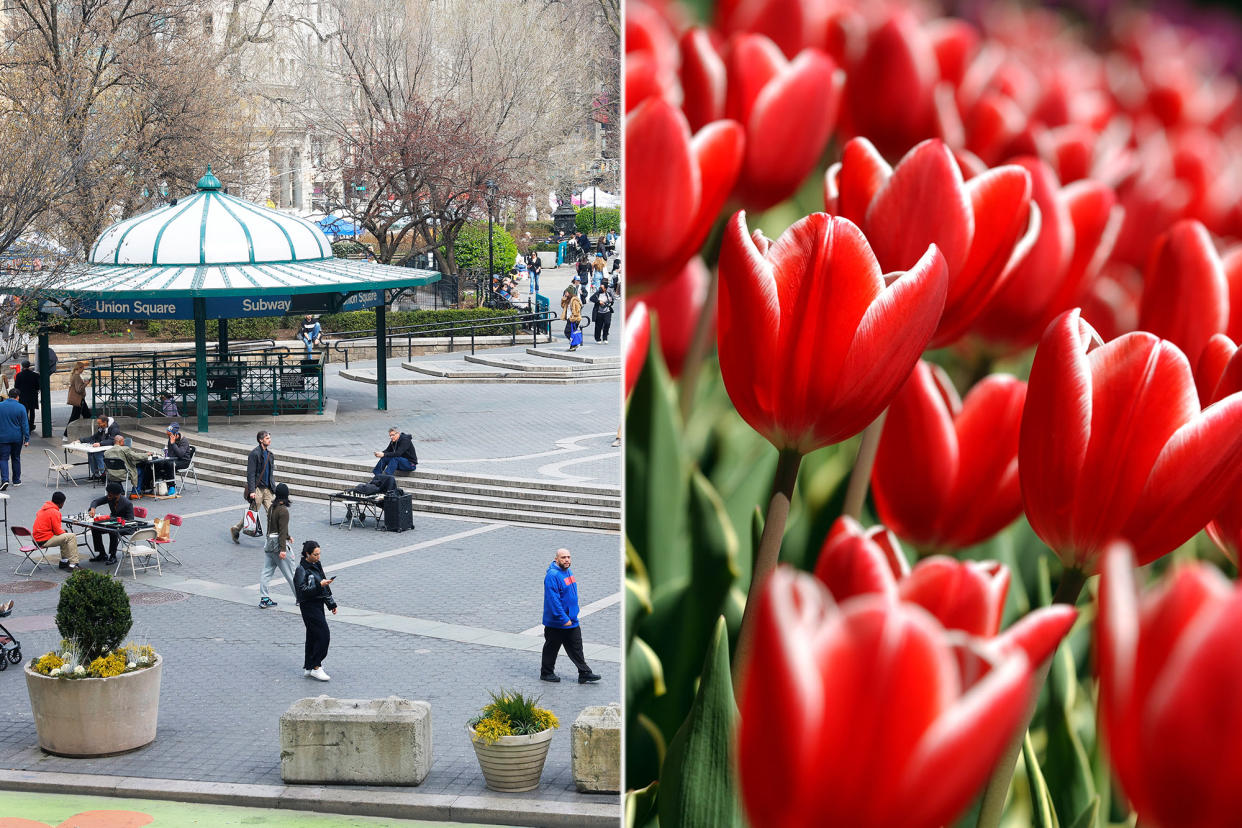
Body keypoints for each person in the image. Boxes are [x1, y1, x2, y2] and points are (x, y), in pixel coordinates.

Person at [540, 548, 601, 684]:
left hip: (571, 620)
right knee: (552, 648)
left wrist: (573, 614)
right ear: (556, 559)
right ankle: (546, 673)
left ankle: (584, 672)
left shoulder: (568, 571)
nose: (567, 560)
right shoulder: (552, 576)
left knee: (576, 647)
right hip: (557, 622)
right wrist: (563, 618)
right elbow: (553, 600)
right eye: (563, 557)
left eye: (568, 557)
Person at [294, 540, 336, 681]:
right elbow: (302, 591)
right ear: (307, 554)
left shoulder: (316, 565)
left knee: (312, 636)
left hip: (318, 604)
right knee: (324, 635)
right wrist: (319, 585)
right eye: (315, 554)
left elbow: (324, 586)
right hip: (308, 606)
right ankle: (316, 666)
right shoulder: (301, 570)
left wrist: (331, 604)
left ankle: (309, 667)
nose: (318, 557)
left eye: (319, 554)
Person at [231, 430, 275, 544]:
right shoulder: (254, 454)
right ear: (261, 440)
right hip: (257, 489)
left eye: (269, 438)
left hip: (267, 489)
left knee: (272, 513)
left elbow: (270, 473)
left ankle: (270, 538)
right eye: (267, 438)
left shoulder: (270, 455)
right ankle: (236, 528)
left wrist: (273, 488)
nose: (269, 440)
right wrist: (252, 491)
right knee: (253, 512)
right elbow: (250, 473)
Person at [259, 483, 297, 609]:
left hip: (269, 544)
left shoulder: (271, 507)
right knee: (291, 574)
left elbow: (274, 527)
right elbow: (281, 531)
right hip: (278, 545)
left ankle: (264, 598)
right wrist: (283, 549)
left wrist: (288, 536)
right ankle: (300, 598)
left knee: (266, 572)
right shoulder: (284, 511)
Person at [87, 482, 136, 564]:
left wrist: (117, 521)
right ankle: (102, 554)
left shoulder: (127, 504)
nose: (108, 496)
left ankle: (113, 555)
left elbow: (130, 520)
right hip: (112, 524)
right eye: (108, 494)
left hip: (125, 527)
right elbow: (95, 501)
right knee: (95, 528)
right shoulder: (110, 498)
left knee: (113, 531)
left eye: (110, 495)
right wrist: (93, 508)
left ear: (117, 495)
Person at [33, 490, 80, 571]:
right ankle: (73, 564)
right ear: (62, 502)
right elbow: (58, 531)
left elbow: (55, 530)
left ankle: (64, 562)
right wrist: (64, 532)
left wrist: (63, 532)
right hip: (44, 540)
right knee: (71, 536)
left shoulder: (43, 509)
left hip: (36, 539)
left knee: (65, 536)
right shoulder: (54, 512)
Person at [0, 388, 26, 491]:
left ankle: (5, 479)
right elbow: (24, 424)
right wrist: (26, 438)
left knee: (3, 458)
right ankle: (16, 480)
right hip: (17, 438)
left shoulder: (0, 406)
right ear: (17, 397)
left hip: (2, 438)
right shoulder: (21, 407)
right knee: (16, 457)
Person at [63, 361, 91, 440]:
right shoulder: (77, 376)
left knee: (87, 415)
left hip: (80, 399)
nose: (83, 370)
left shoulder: (74, 375)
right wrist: (86, 383)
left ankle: (85, 432)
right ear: (79, 368)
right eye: (83, 368)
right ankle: (66, 435)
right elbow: (79, 389)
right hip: (79, 400)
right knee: (74, 417)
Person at [13, 360, 38, 432]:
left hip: (23, 396)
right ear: (29, 366)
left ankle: (26, 425)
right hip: (32, 395)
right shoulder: (34, 375)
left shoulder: (19, 375)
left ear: (22, 366)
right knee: (32, 410)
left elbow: (16, 386)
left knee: (24, 411)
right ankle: (31, 425)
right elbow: (37, 386)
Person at [561, 282, 583, 352]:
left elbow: (577, 310)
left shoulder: (574, 300)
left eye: (566, 292)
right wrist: (564, 298)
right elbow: (563, 306)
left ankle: (575, 344)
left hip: (573, 319)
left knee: (567, 332)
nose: (565, 293)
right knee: (571, 333)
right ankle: (572, 346)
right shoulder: (568, 300)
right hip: (569, 319)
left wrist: (572, 318)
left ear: (570, 293)